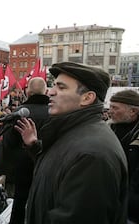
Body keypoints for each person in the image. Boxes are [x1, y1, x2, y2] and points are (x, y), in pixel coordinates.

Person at [15, 62, 128, 224]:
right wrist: (35, 147)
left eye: (61, 87)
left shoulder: (92, 155)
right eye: (53, 86)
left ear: (87, 98)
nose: (50, 92)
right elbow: (61, 168)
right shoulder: (72, 132)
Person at [2, 77, 49, 224]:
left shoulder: (18, 114)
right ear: (46, 92)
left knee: (20, 203)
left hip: (23, 169)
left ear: (27, 92)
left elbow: (8, 144)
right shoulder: (54, 113)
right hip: (48, 167)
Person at [108, 89, 139, 223]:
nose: (110, 111)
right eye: (110, 107)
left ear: (133, 111)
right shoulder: (108, 128)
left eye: (115, 108)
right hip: (112, 197)